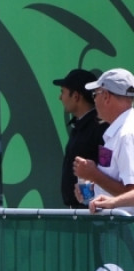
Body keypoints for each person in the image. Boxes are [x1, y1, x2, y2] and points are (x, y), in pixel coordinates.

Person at [77, 68, 134, 215]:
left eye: (95, 94)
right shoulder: (120, 132)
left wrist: (94, 175)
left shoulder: (126, 134)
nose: (94, 100)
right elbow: (118, 182)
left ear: (106, 96)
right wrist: (93, 190)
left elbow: (131, 191)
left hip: (125, 231)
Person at [52, 69, 108, 208]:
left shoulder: (100, 127)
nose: (60, 97)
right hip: (79, 211)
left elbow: (108, 168)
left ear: (76, 96)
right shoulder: (79, 125)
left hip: (94, 215)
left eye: (63, 92)